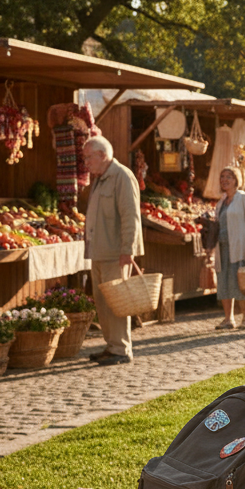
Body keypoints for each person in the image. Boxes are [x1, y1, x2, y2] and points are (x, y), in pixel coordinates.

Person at [81, 136, 144, 366]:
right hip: (99, 252)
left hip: (116, 254)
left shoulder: (122, 177)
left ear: (102, 155)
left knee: (117, 303)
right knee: (102, 303)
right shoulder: (99, 179)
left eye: (88, 157)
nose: (85, 162)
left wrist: (127, 250)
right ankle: (111, 345)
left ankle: (121, 348)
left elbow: (131, 217)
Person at [212, 167, 245, 329]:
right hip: (223, 248)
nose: (225, 180)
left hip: (239, 246)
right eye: (222, 177)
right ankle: (228, 319)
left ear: (236, 180)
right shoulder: (221, 201)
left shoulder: (244, 198)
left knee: (241, 282)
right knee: (224, 281)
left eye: (229, 177)